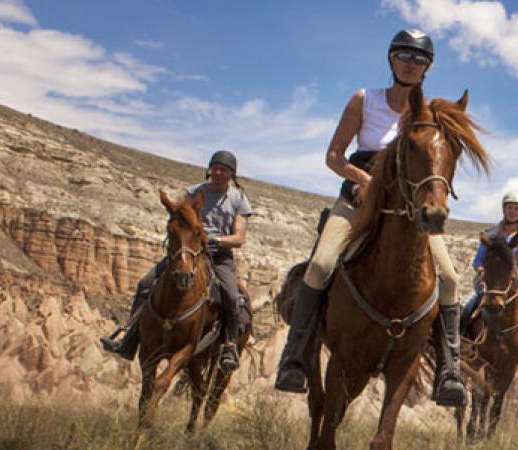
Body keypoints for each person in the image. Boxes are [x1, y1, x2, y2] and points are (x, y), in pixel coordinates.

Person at [272, 30, 466, 406]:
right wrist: (364, 180)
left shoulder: (430, 113)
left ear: (428, 67)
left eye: (419, 59)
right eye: (404, 56)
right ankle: (294, 358)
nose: (411, 63)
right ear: (391, 59)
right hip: (357, 201)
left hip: (407, 209)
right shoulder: (365, 100)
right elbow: (334, 156)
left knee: (450, 277)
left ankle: (450, 369)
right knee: (321, 263)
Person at [100, 150, 252, 371]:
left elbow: (239, 238)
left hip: (218, 255)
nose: (218, 173)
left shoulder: (238, 200)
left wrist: (215, 239)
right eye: (215, 168)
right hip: (189, 251)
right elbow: (179, 220)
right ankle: (128, 336)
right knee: (145, 283)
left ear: (231, 174)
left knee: (230, 293)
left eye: (224, 170)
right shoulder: (193, 192)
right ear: (210, 169)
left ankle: (228, 344)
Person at [461, 191, 518, 388]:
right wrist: (482, 269)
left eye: (516, 208)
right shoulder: (490, 234)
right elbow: (477, 260)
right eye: (509, 207)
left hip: (515, 286)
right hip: (489, 285)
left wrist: (516, 272)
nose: (512, 211)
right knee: (465, 309)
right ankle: (460, 351)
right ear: (504, 210)